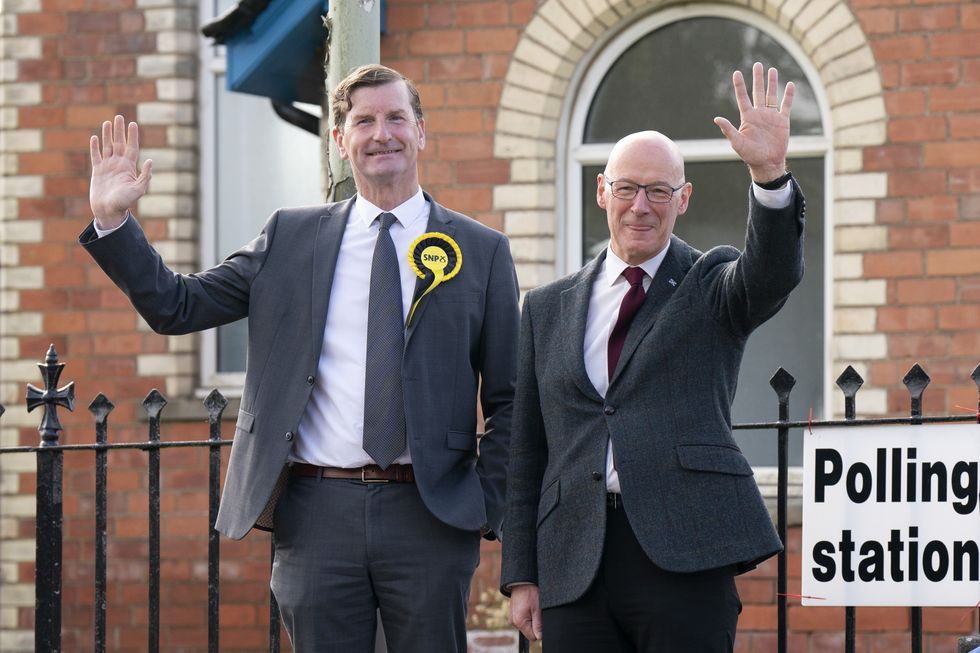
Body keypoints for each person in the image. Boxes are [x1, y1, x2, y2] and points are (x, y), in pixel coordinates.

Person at [81, 64, 519, 653]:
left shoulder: (481, 250)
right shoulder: (290, 237)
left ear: (420, 132)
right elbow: (177, 306)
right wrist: (114, 220)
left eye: (395, 118)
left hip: (430, 516)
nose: (381, 133)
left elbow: (510, 399)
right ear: (340, 140)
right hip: (317, 515)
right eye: (363, 121)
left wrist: (483, 503)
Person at [500, 62, 804, 652]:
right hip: (574, 560)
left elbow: (772, 274)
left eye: (659, 191)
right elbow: (527, 447)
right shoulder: (546, 307)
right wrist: (522, 573)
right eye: (627, 188)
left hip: (683, 553)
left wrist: (769, 175)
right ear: (602, 192)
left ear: (683, 199)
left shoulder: (712, 284)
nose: (641, 205)